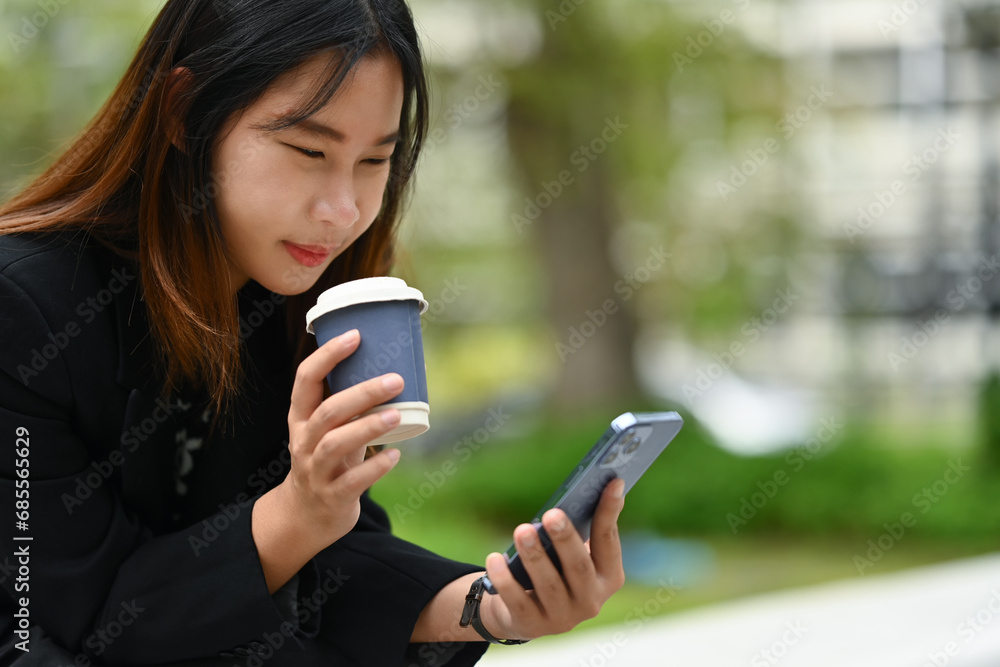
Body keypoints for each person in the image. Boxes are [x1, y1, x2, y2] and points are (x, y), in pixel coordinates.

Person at [0, 0, 627, 664]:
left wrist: (492, 605)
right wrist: (294, 513)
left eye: (374, 161)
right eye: (309, 150)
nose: (343, 210)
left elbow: (328, 560)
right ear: (183, 111)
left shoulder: (300, 303)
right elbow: (67, 615)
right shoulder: (23, 309)